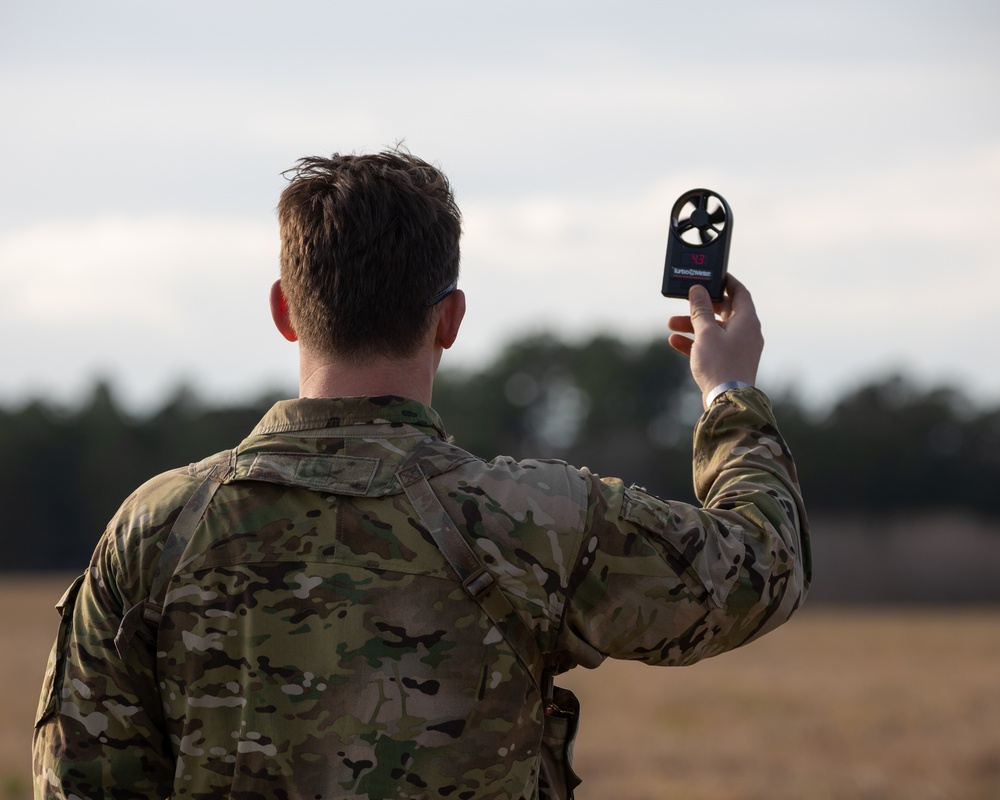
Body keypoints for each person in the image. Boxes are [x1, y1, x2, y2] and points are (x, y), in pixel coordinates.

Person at [32, 151, 810, 800]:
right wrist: (728, 392)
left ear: (285, 311)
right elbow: (760, 566)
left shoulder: (156, 528)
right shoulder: (532, 519)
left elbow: (80, 780)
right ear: (451, 320)